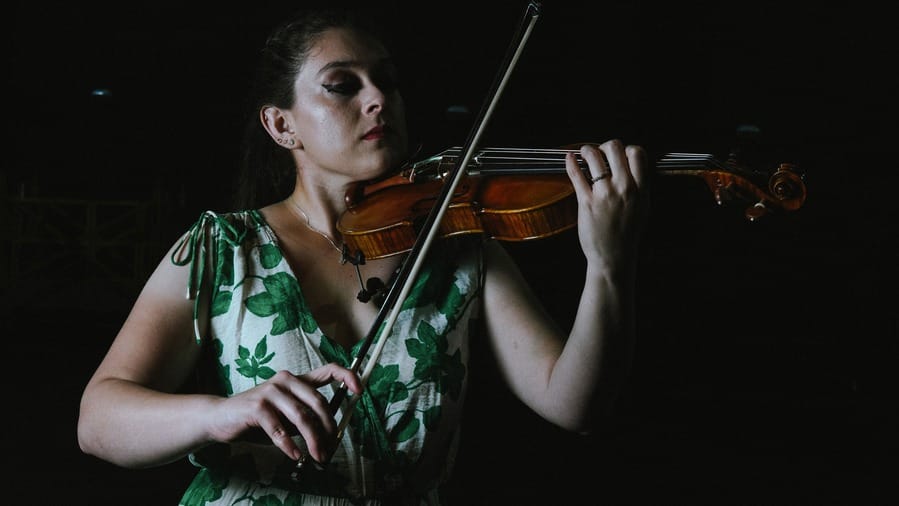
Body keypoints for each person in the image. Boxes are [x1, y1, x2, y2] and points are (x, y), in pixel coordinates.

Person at [77, 5, 650, 505]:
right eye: (342, 85)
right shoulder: (224, 248)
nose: (378, 99)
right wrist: (223, 413)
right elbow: (98, 421)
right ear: (282, 125)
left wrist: (607, 266)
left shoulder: (457, 244)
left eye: (387, 81)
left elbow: (576, 405)